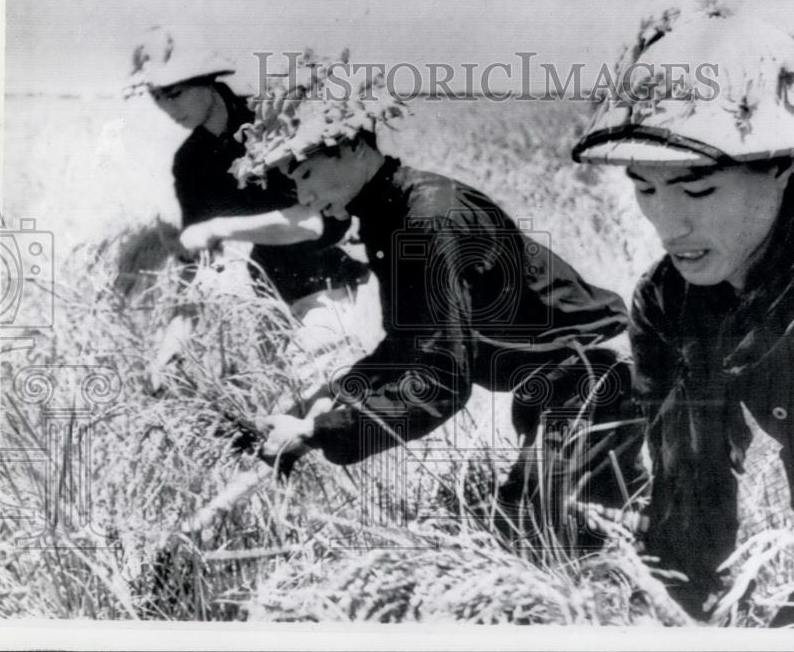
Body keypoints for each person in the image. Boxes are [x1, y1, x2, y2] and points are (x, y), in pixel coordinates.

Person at [571, 3, 794, 620]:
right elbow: (687, 509)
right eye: (645, 187)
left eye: (697, 188)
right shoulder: (672, 302)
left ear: (780, 168)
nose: (669, 224)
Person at [234, 57, 635, 544]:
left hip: (595, 384)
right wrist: (328, 396)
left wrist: (321, 432)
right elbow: (411, 344)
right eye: (291, 181)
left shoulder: (427, 219)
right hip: (559, 392)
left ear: (353, 145)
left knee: (543, 538)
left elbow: (441, 384)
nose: (302, 193)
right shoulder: (391, 216)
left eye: (306, 172)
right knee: (558, 536)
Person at [125, 28, 369, 380]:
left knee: (310, 404)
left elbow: (312, 223)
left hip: (325, 286)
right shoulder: (191, 162)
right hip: (269, 296)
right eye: (156, 97)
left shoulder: (277, 123)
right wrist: (173, 342)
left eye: (175, 93)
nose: (167, 107)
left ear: (206, 80)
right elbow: (201, 264)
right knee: (270, 405)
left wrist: (218, 227)